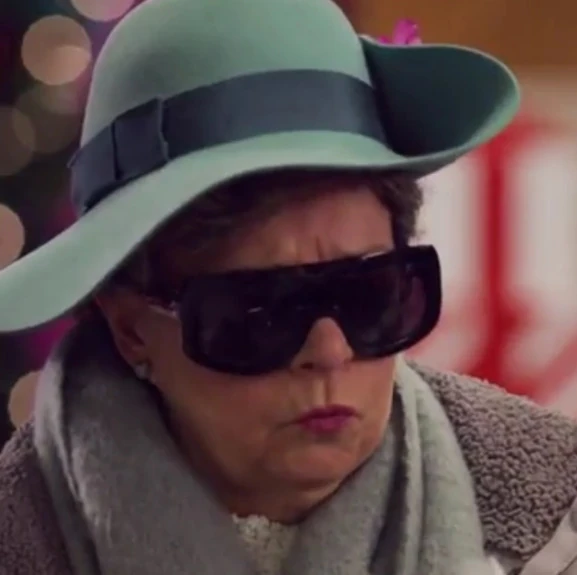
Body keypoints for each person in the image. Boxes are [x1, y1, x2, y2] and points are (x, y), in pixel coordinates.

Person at [0, 0, 576, 574]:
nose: (330, 351)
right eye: (262, 312)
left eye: (368, 296)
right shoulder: (21, 534)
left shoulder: (555, 520)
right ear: (131, 329)